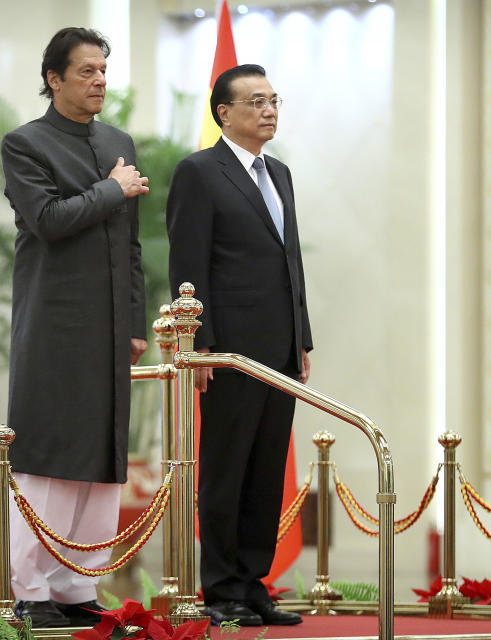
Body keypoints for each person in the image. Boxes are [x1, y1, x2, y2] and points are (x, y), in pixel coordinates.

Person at [0, 27, 149, 628]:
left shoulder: (118, 140)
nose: (100, 83)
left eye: (104, 71)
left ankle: (78, 589)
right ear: (54, 78)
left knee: (101, 458)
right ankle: (31, 589)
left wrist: (136, 323)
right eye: (86, 72)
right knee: (48, 458)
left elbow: (131, 247)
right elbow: (48, 221)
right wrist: (111, 189)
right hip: (54, 322)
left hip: (112, 326)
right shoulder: (26, 144)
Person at [166, 64, 312, 627]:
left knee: (266, 469)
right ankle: (220, 587)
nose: (269, 110)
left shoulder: (280, 173)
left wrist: (302, 337)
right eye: (256, 101)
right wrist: (197, 343)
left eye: (274, 100)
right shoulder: (200, 173)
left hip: (279, 350)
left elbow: (289, 263)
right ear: (224, 113)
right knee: (226, 469)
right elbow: (188, 264)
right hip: (228, 351)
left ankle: (253, 584)